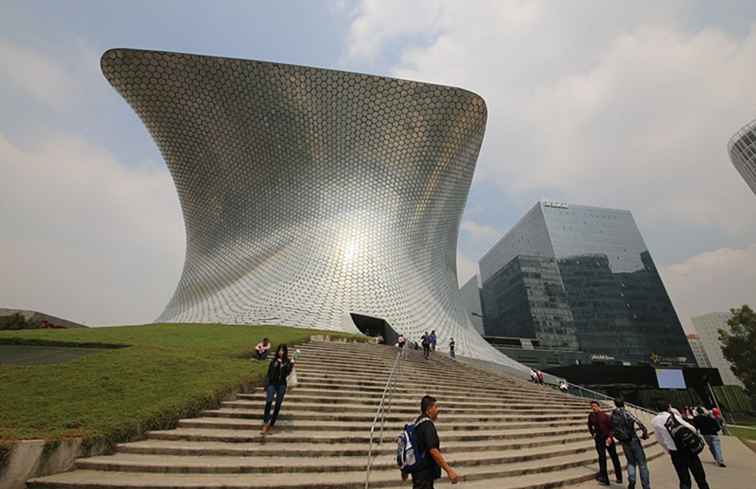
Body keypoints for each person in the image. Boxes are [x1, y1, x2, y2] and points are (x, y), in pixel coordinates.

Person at [400, 395, 460, 488]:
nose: (438, 410)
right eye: (435, 407)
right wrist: (449, 470)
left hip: (418, 473)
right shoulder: (427, 424)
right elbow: (433, 450)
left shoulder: (416, 423)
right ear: (429, 409)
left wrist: (404, 470)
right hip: (424, 474)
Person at [652, 402, 710, 489]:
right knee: (700, 476)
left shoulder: (655, 421)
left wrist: (667, 449)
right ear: (669, 408)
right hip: (687, 449)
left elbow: (659, 439)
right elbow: (691, 428)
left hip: (674, 452)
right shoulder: (673, 416)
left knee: (684, 479)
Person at [611, 397, 650, 489]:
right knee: (642, 464)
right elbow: (640, 424)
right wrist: (644, 434)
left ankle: (632, 481)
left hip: (624, 441)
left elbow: (613, 428)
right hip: (633, 439)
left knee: (630, 462)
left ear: (615, 404)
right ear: (623, 403)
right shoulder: (627, 413)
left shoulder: (613, 415)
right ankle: (646, 486)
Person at [260, 343, 294, 435]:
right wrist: (266, 385)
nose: (281, 352)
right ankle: (265, 424)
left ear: (285, 352)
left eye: (283, 350)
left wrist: (290, 365)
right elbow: (269, 373)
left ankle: (271, 424)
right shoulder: (274, 361)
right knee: (268, 402)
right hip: (272, 384)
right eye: (279, 350)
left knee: (278, 405)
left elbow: (287, 373)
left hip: (282, 385)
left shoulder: (288, 362)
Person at [588, 400, 622, 486]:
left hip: (608, 438)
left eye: (595, 406)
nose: (593, 408)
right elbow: (589, 425)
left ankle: (619, 477)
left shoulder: (606, 416)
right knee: (602, 458)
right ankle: (605, 479)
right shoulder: (591, 416)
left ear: (599, 407)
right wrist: (593, 433)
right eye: (592, 407)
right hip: (598, 439)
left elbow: (612, 428)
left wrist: (610, 437)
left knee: (614, 456)